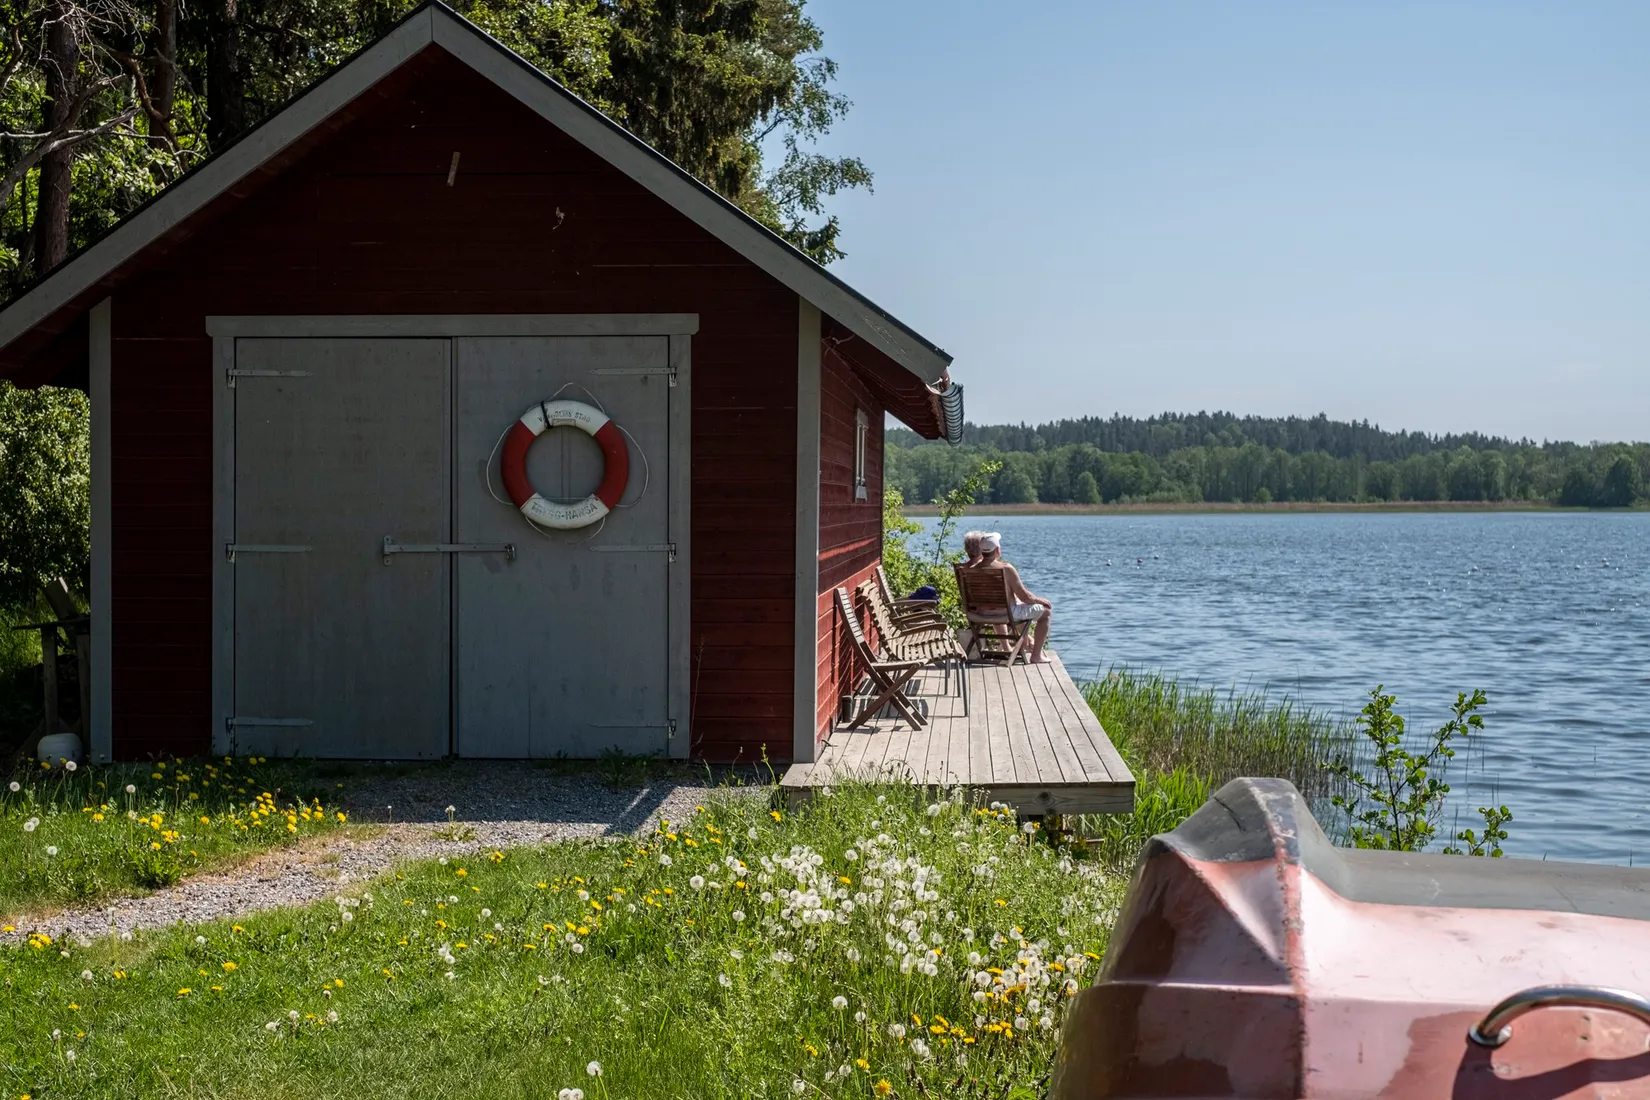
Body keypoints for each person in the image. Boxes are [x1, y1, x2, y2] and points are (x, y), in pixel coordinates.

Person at [972, 531, 1053, 663]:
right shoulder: (1006, 569)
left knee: (1020, 607)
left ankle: (1026, 642)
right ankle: (1036, 655)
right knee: (1046, 612)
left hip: (981, 613)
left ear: (982, 551)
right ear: (998, 550)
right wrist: (1041, 601)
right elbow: (1026, 597)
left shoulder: (973, 569)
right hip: (1006, 613)